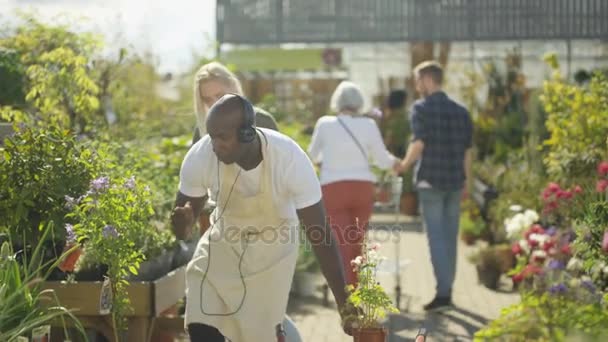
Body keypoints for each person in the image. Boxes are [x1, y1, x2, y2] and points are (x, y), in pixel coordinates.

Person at [171, 94, 356, 342]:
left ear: (247, 133)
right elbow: (181, 229)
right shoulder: (201, 156)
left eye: (222, 137)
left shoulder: (290, 159)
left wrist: (344, 304)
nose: (215, 144)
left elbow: (320, 235)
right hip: (223, 244)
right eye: (211, 135)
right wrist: (182, 226)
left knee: (260, 335)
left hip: (274, 251)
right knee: (200, 319)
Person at [395, 61, 473, 311]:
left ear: (428, 79)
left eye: (418, 80)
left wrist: (404, 165)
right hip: (454, 181)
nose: (417, 86)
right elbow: (467, 151)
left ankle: (443, 293)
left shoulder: (421, 108)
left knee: (436, 238)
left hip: (430, 180)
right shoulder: (461, 111)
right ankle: (447, 289)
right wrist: (467, 182)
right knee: (450, 237)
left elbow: (419, 143)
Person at [307, 81, 400, 286]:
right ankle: (358, 288)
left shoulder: (325, 124)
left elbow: (310, 156)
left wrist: (326, 160)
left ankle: (348, 296)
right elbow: (382, 160)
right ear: (359, 103)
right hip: (362, 188)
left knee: (342, 242)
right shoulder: (369, 125)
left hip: (333, 189)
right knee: (358, 241)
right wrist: (397, 163)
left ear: (337, 102)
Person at [191, 61, 278, 145]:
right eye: (207, 100)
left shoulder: (261, 120)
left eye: (220, 96)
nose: (215, 104)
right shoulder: (201, 130)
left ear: (233, 87)